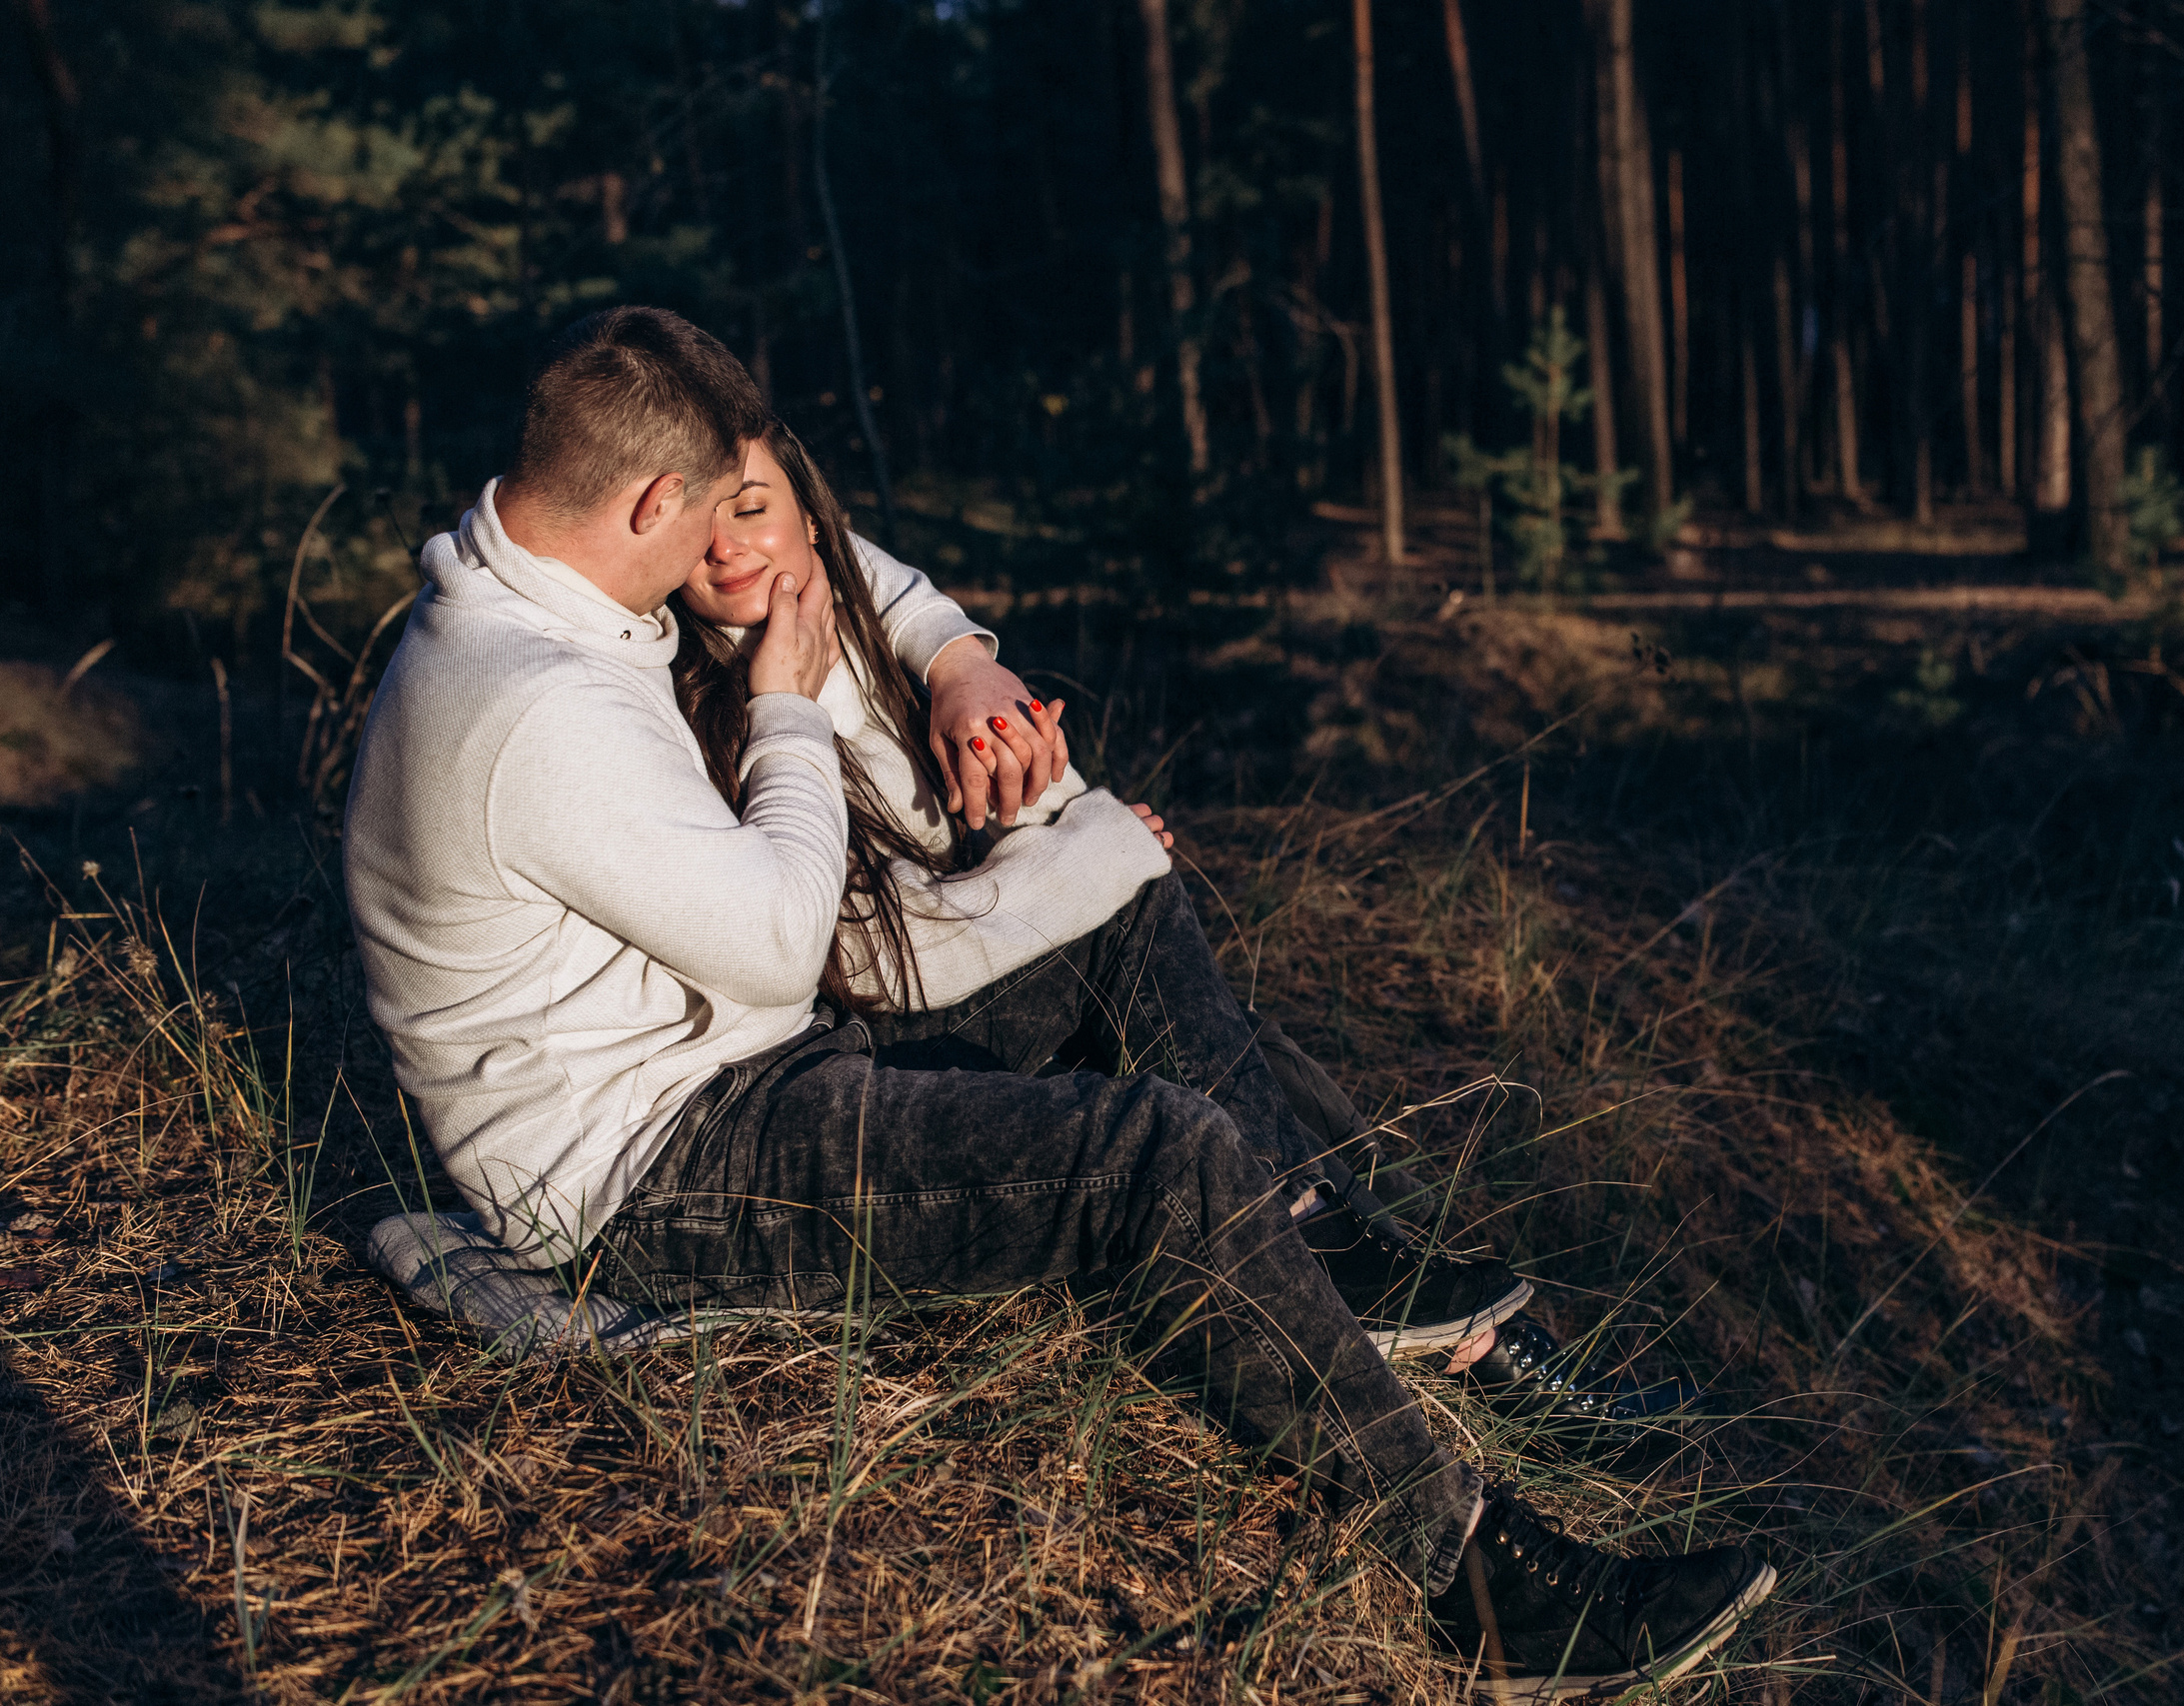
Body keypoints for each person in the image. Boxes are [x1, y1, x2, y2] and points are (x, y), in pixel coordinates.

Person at [343, 305, 1774, 1695]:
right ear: (653, 499)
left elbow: (852, 579)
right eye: (711, 512)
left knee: (1120, 951)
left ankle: (1328, 1245)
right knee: (1153, 1152)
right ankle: (1485, 1586)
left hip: (732, 1070)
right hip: (658, 1171)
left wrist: (963, 668)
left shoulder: (552, 605)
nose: (737, 546)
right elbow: (780, 947)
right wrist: (784, 705)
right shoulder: (535, 703)